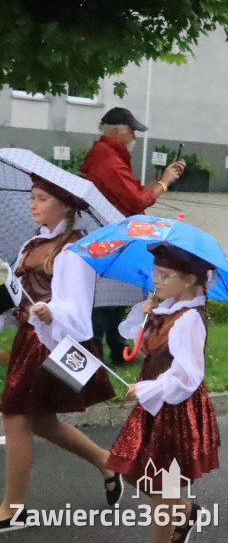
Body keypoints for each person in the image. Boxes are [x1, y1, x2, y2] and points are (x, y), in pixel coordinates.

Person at [0, 176, 120, 533]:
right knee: (38, 419)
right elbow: (19, 295)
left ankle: (13, 507)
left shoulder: (75, 249)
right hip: (30, 340)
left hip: (60, 342)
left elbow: (79, 308)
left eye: (42, 199)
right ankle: (105, 461)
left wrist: (53, 313)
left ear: (65, 205)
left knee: (15, 416)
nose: (33, 205)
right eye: (32, 198)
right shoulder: (33, 243)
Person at [106, 243, 220, 543]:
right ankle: (183, 513)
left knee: (161, 486)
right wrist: (142, 314)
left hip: (174, 406)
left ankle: (168, 528)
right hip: (153, 401)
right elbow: (127, 333)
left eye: (166, 275)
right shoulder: (163, 309)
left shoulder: (188, 320)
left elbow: (188, 375)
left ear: (189, 280)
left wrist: (148, 388)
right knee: (142, 473)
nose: (157, 280)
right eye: (155, 273)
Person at [80, 107, 186, 366]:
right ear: (117, 131)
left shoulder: (106, 155)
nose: (134, 138)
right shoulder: (109, 159)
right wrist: (163, 183)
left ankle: (113, 349)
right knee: (106, 297)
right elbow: (136, 199)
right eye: (132, 132)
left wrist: (161, 180)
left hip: (109, 231)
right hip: (111, 233)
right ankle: (100, 353)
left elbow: (131, 191)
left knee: (110, 295)